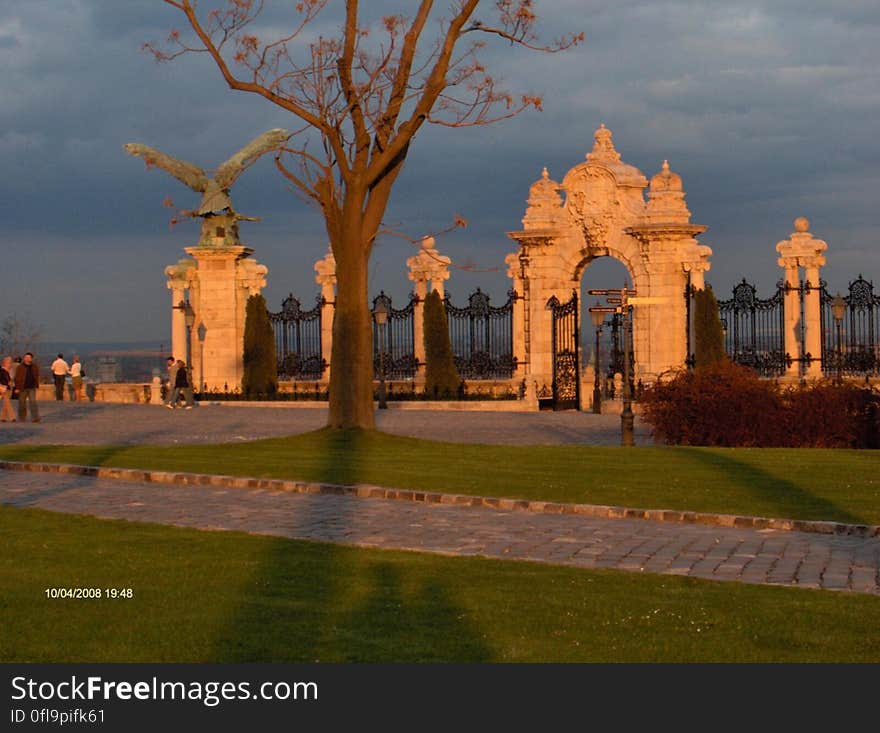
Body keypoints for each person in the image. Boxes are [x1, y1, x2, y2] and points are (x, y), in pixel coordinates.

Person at [14, 352, 40, 422]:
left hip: (32, 387)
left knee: (33, 402)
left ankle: (35, 418)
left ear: (31, 359)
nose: (27, 358)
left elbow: (36, 375)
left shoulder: (34, 366)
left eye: (28, 357)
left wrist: (36, 383)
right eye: (26, 357)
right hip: (22, 387)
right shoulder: (20, 367)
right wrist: (17, 387)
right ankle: (22, 417)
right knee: (22, 403)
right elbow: (16, 378)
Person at [0, 357, 15, 422]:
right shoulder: (1, 371)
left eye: (9, 363)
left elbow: (11, 380)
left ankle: (2, 418)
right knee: (7, 402)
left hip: (9, 388)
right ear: (4, 363)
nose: (9, 364)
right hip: (3, 388)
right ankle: (12, 417)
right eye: (8, 363)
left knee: (6, 404)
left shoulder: (10, 371)